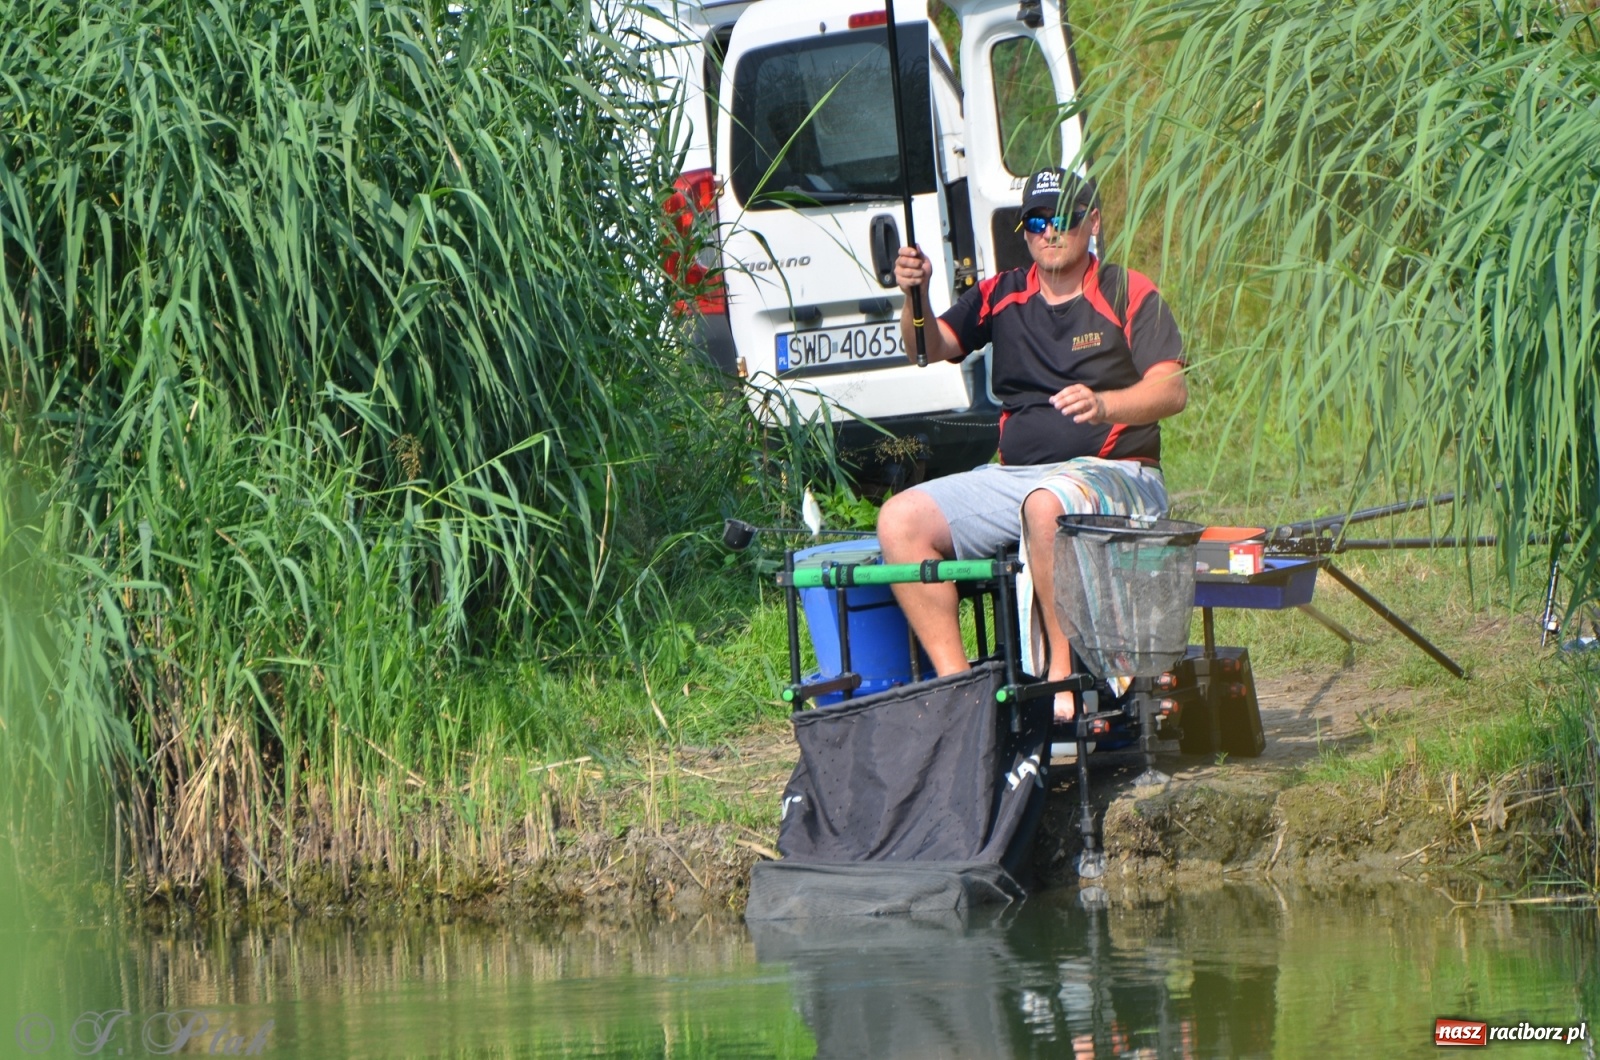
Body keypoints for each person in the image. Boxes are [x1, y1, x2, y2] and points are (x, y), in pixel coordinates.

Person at [876, 168, 1187, 720]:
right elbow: (927, 346)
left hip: (1118, 473)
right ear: (1024, 231)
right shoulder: (1001, 293)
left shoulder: (1128, 290)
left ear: (1093, 222)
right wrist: (913, 294)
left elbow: (1172, 390)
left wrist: (1105, 405)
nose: (1050, 231)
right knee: (899, 519)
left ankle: (1059, 677)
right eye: (1037, 221)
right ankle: (960, 695)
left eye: (1062, 218)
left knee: (1045, 505)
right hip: (1016, 477)